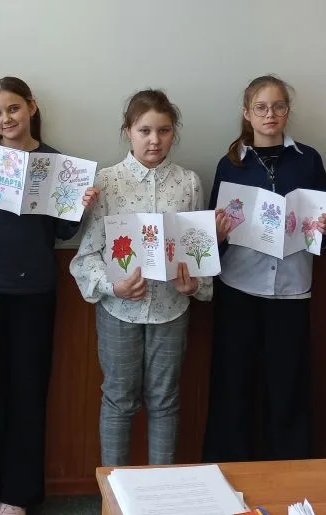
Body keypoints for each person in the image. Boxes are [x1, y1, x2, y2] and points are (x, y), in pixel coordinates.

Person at [0, 77, 97, 515]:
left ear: (31, 107)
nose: (5, 119)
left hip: (34, 292)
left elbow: (63, 231)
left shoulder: (57, 163)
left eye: (13, 108)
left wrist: (80, 203)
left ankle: (18, 496)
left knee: (28, 393)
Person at [70, 89, 209, 466]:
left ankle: (159, 490)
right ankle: (114, 490)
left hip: (171, 309)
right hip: (119, 310)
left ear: (174, 132)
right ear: (128, 131)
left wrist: (194, 284)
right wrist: (111, 286)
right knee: (118, 399)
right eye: (144, 130)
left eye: (164, 130)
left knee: (165, 400)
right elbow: (88, 254)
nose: (154, 140)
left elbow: (197, 250)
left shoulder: (189, 183)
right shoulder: (106, 181)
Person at [201, 75, 326, 462]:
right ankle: (230, 471)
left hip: (292, 289)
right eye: (260, 107)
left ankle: (288, 475)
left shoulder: (309, 160)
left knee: (288, 389)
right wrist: (217, 232)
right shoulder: (230, 164)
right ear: (247, 113)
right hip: (238, 287)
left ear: (287, 111)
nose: (270, 114)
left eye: (278, 106)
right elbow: (213, 237)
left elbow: (321, 231)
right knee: (233, 388)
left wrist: (324, 226)